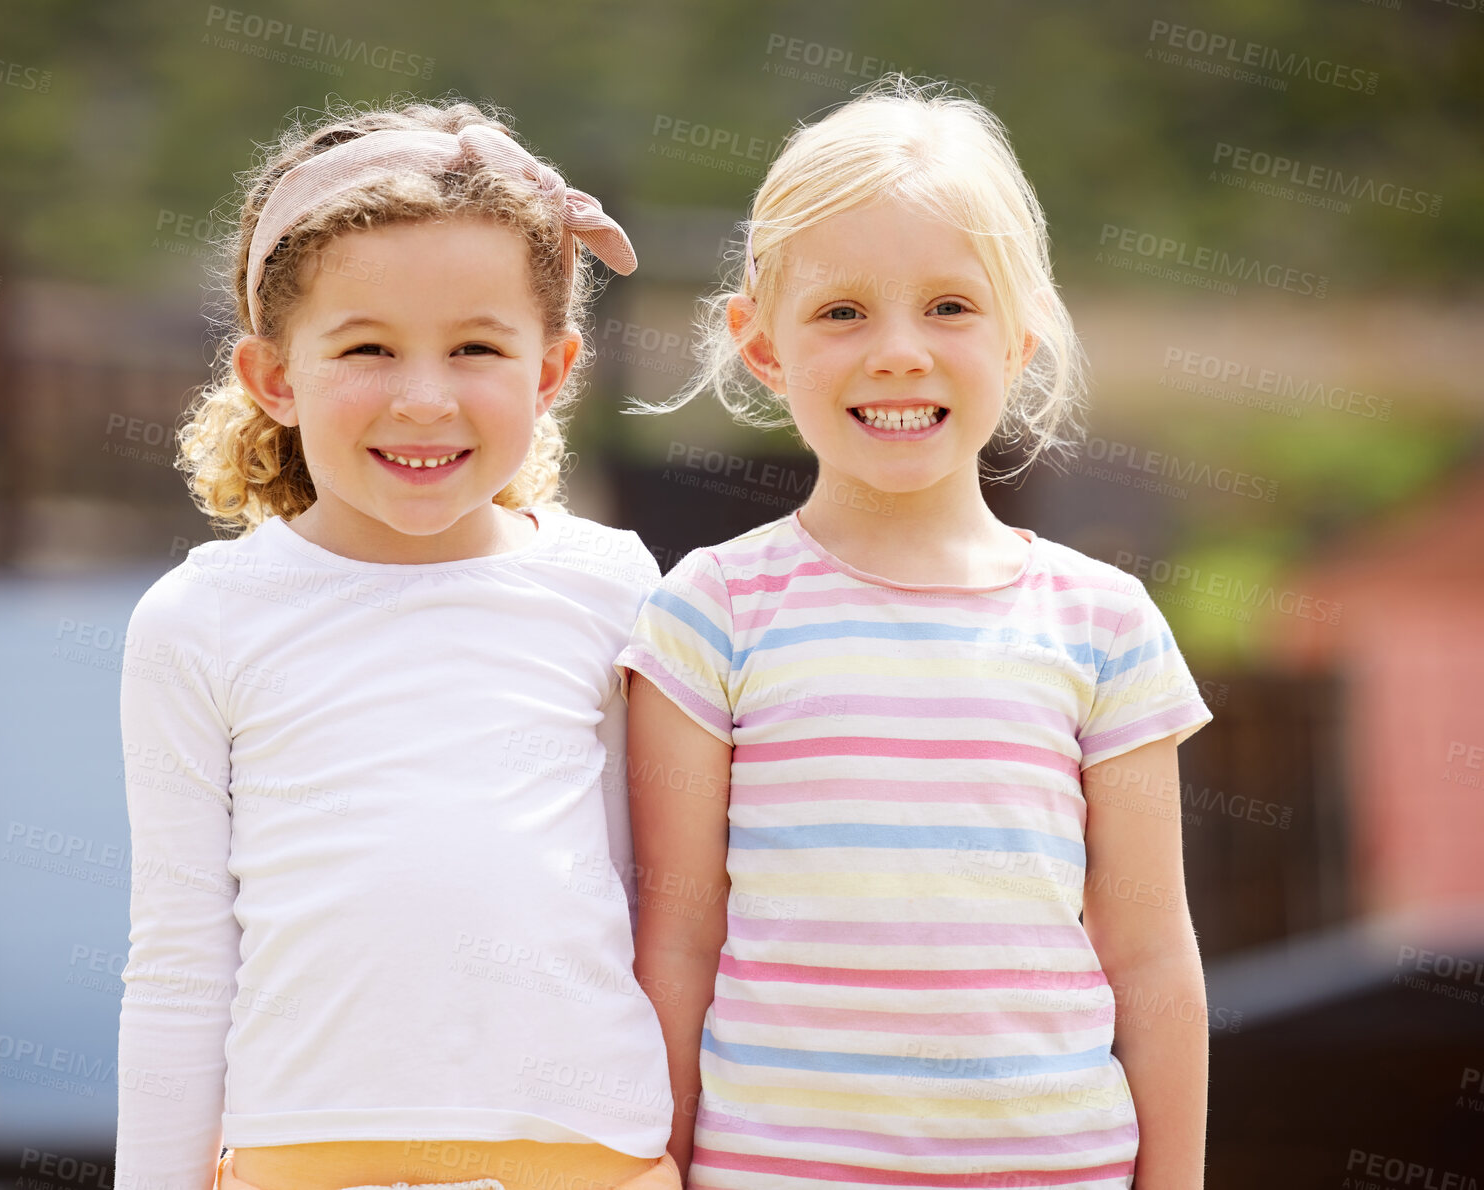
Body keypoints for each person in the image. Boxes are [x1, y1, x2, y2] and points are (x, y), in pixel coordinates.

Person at [618, 76, 1213, 1189]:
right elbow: (679, 942)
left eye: (949, 306)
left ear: (1022, 335)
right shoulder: (709, 613)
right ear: (762, 346)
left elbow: (1151, 953)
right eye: (842, 311)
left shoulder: (1105, 623)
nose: (898, 350)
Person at [114, 96, 680, 1190]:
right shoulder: (201, 621)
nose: (424, 398)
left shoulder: (613, 589)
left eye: (476, 346)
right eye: (367, 347)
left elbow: (656, 901)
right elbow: (180, 967)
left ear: (552, 371)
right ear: (274, 377)